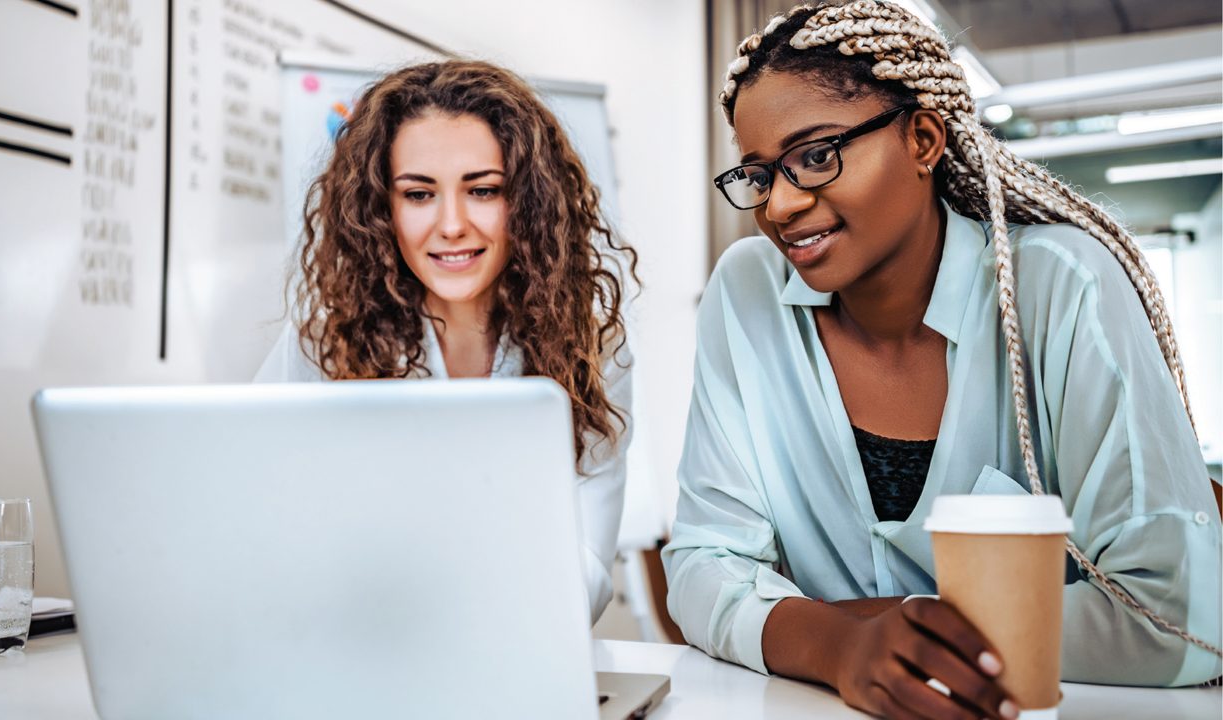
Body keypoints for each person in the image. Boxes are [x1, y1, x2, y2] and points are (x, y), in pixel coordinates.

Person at [663, 2, 1222, 718]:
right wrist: (837, 646)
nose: (780, 206)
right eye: (760, 175)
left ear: (923, 139)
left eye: (816, 156)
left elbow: (1179, 617)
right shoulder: (746, 294)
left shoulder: (1061, 286)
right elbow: (704, 566)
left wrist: (880, 627)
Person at [256, 60, 638, 625]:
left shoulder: (592, 348)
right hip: (349, 650)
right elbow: (260, 522)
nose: (452, 223)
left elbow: (585, 569)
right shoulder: (325, 339)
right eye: (418, 194)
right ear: (381, 208)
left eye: (483, 190)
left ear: (528, 202)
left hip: (519, 652)